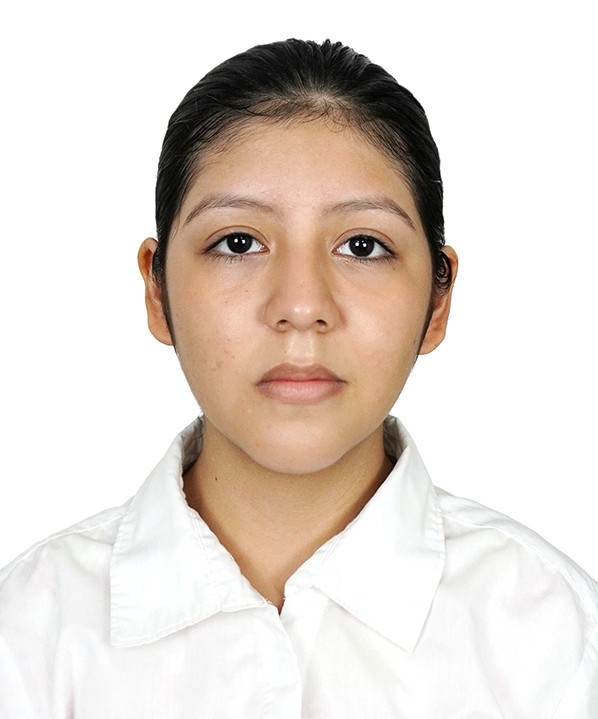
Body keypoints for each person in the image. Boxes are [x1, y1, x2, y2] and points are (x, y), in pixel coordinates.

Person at [0, 38, 596, 718]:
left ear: (438, 300)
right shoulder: (27, 637)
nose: (302, 305)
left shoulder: (557, 638)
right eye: (238, 242)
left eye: (362, 246)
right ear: (157, 291)